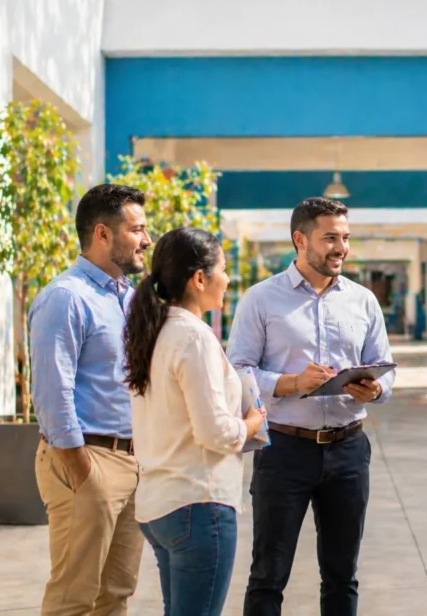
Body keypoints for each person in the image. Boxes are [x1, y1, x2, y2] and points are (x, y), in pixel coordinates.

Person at [227, 196, 395, 616]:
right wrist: (290, 383)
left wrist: (374, 390)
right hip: (283, 450)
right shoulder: (260, 299)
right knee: (268, 575)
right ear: (300, 239)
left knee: (342, 576)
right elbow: (237, 372)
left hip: (349, 450)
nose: (341, 248)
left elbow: (386, 368)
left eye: (345, 238)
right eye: (330, 238)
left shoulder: (363, 301)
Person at [124, 227, 267, 616]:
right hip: (198, 504)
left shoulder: (154, 332)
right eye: (222, 269)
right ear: (199, 278)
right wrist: (252, 424)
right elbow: (215, 432)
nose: (228, 279)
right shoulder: (193, 336)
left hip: (160, 505)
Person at [30, 183, 151, 616]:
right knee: (73, 598)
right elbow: (50, 391)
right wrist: (82, 469)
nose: (147, 240)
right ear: (103, 234)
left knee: (115, 594)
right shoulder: (66, 298)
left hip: (131, 461)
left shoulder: (128, 298)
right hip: (89, 460)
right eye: (137, 229)